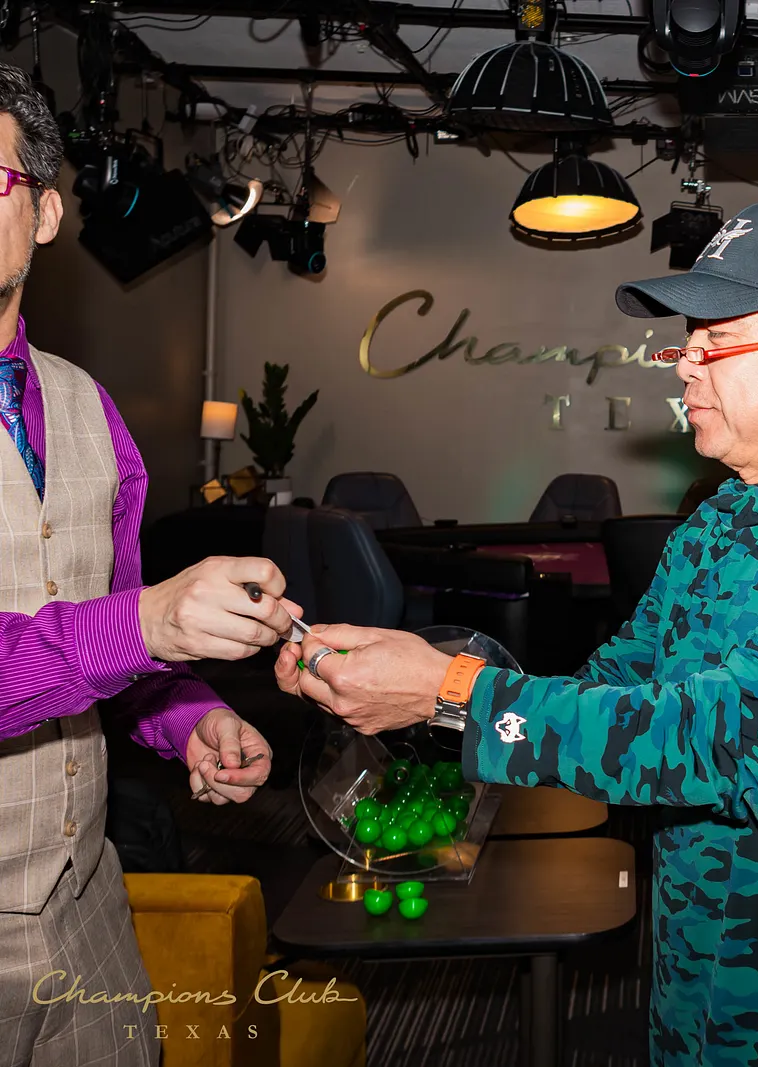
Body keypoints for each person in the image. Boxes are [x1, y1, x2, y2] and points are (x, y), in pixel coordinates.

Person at [277, 199, 758, 1065]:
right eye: (685, 343)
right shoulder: (714, 525)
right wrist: (407, 683)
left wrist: (452, 692)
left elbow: (749, 740)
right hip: (701, 979)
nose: (684, 366)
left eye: (716, 342)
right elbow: (614, 694)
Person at [0, 64, 298, 1066]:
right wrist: (148, 624)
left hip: (88, 905)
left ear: (46, 213)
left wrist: (186, 718)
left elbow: (116, 628)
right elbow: (132, 624)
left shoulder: (88, 404)